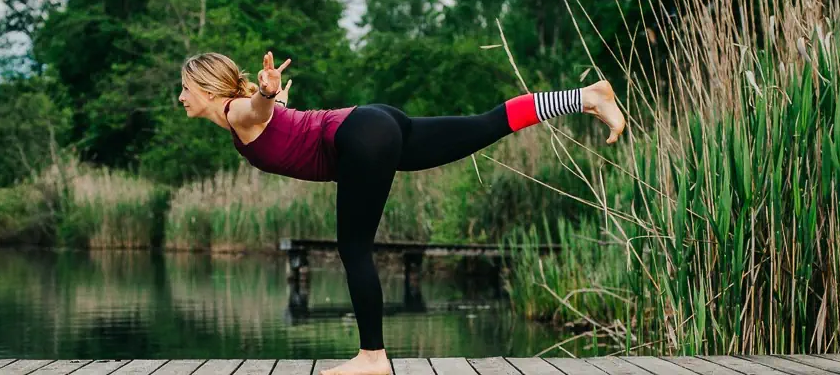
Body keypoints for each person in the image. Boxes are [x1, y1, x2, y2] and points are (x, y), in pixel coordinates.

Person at [176, 51, 625, 375]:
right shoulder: (249, 117)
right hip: (374, 123)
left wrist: (268, 94)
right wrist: (277, 101)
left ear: (207, 88)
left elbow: (256, 107)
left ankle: (372, 358)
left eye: (185, 87)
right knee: (483, 124)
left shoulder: (238, 111)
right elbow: (278, 122)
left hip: (361, 137)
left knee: (353, 248)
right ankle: (586, 97)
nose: (181, 96)